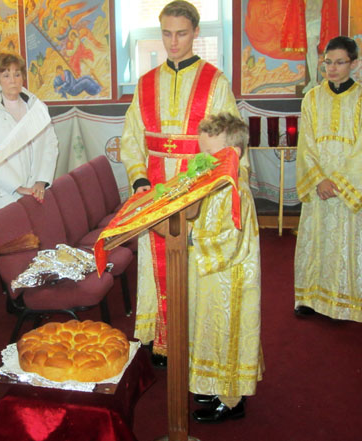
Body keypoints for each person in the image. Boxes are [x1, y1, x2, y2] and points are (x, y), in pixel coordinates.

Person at [120, 0, 239, 366]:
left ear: (196, 33)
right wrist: (140, 179)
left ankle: (191, 341)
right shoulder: (146, 83)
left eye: (181, 34)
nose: (173, 42)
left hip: (196, 190)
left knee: (191, 267)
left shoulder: (215, 81)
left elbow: (229, 144)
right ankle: (160, 339)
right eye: (167, 33)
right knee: (157, 268)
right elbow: (131, 138)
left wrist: (199, 188)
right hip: (155, 189)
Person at [188, 113, 263, 422]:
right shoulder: (218, 179)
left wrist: (193, 238)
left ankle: (232, 400)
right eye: (202, 154)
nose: (206, 161)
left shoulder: (236, 190)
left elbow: (231, 240)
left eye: (212, 155)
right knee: (210, 330)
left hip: (231, 280)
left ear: (235, 153)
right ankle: (213, 384)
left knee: (227, 335)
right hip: (213, 276)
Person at [294, 36, 362, 322]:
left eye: (339, 63)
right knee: (316, 238)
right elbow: (305, 142)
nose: (332, 69)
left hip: (349, 186)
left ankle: (349, 299)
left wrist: (340, 182)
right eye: (327, 63)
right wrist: (319, 179)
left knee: (348, 241)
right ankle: (309, 298)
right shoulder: (312, 98)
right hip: (319, 185)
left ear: (354, 64)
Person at [0, 52, 59, 214]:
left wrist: (41, 181)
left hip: (35, 190)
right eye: (6, 75)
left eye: (17, 74)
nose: (13, 80)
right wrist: (18, 187)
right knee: (12, 238)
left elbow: (50, 145)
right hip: (3, 194)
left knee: (35, 237)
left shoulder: (36, 108)